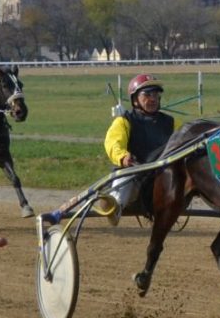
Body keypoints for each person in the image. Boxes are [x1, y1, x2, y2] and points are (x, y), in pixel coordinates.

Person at [42, 73, 175, 226]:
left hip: (162, 180)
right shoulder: (124, 122)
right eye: (147, 94)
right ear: (135, 99)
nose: (153, 99)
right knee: (124, 176)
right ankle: (114, 207)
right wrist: (123, 157)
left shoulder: (171, 123)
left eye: (156, 95)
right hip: (135, 178)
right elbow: (113, 144)